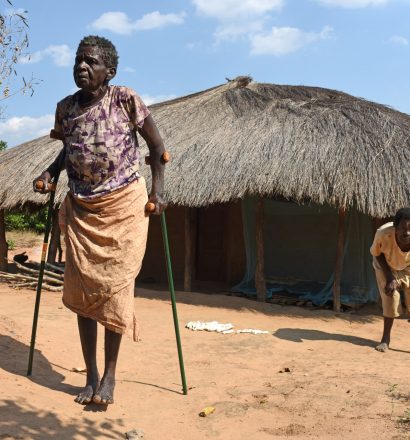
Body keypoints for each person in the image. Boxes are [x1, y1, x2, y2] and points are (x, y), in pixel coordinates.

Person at [33, 35, 167, 404]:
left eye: (91, 62)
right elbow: (67, 151)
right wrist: (49, 174)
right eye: (78, 60)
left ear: (109, 71)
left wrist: (157, 193)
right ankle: (90, 375)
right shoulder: (64, 108)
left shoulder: (125, 98)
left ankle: (109, 375)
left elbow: (157, 147)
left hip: (124, 207)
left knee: (115, 292)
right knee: (82, 293)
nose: (81, 67)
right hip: (81, 210)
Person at [370, 208, 410, 352]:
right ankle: (385, 339)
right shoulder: (383, 233)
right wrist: (390, 277)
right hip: (385, 264)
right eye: (402, 228)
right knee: (391, 296)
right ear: (395, 228)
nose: (407, 233)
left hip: (407, 266)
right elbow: (377, 253)